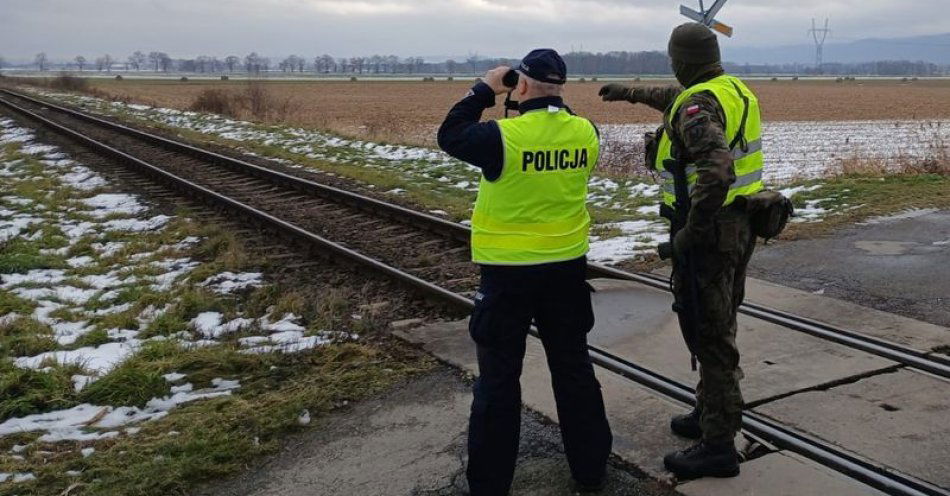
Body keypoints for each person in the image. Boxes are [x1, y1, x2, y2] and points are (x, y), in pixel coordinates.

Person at [438, 49, 613, 495]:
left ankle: (490, 485)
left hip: (508, 276)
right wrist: (538, 98)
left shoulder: (503, 137)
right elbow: (560, 125)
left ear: (523, 84)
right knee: (574, 369)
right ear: (561, 87)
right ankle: (591, 469)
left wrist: (484, 89)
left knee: (498, 381)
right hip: (567, 271)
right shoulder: (586, 134)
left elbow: (450, 134)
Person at [599, 22, 763, 479]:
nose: (671, 68)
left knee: (710, 336)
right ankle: (709, 412)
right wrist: (628, 93)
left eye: (674, 60)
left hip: (710, 236)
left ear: (684, 62)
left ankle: (718, 446)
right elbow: (671, 97)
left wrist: (691, 230)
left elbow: (716, 167)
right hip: (739, 226)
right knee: (718, 322)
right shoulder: (729, 89)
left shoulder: (698, 103)